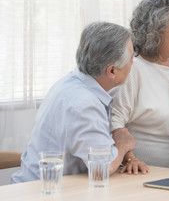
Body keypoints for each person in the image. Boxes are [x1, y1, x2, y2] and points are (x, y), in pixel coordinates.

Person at [12, 21, 135, 183]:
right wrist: (123, 143)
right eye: (131, 59)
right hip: (42, 193)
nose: (133, 64)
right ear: (111, 71)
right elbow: (102, 167)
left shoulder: (70, 83)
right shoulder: (84, 103)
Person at [109, 0, 169, 174]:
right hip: (133, 173)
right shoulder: (134, 68)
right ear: (156, 31)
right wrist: (131, 159)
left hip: (165, 174)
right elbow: (115, 122)